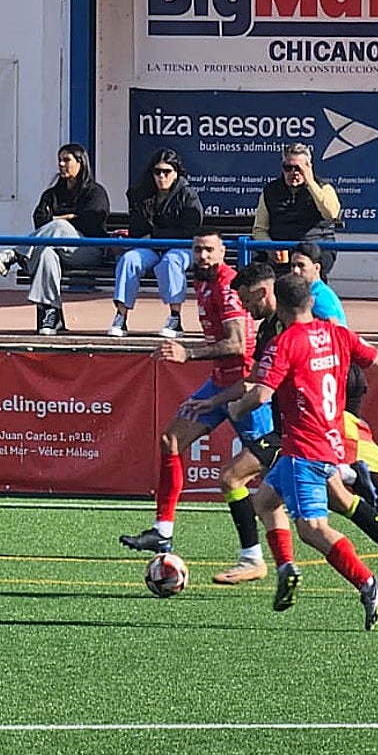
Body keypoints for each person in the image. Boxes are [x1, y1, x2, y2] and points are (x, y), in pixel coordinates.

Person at [188, 262, 378, 598]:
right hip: (327, 434)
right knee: (288, 500)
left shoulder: (283, 339)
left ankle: (358, 581)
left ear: (271, 297)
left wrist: (231, 407)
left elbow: (259, 391)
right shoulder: (334, 332)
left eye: (248, 301)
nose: (246, 309)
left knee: (292, 515)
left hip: (297, 438)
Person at [118, 229, 273, 559]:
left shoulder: (228, 287)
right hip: (219, 383)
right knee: (170, 440)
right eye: (197, 249)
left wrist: (188, 354)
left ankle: (349, 483)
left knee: (272, 467)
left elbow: (235, 344)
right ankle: (162, 532)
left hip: (241, 386)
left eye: (209, 250)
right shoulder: (202, 282)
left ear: (222, 252)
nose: (202, 256)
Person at [0, 143, 110, 335]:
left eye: (67, 160)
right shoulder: (51, 194)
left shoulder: (95, 192)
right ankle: (51, 315)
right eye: (59, 160)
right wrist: (68, 218)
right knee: (45, 253)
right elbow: (39, 220)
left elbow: (92, 221)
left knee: (58, 227)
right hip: (57, 252)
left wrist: (61, 220)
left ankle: (14, 255)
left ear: (81, 163)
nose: (61, 164)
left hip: (88, 250)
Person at [108, 148, 202, 338]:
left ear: (176, 173)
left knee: (170, 262)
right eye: (157, 171)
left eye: (166, 172)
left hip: (180, 247)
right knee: (129, 260)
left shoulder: (188, 195)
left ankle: (175, 318)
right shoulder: (143, 194)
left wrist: (157, 234)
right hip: (151, 247)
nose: (161, 176)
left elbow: (189, 231)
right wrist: (151, 236)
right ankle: (121, 316)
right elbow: (137, 230)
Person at [252, 143, 342, 276]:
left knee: (307, 268)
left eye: (298, 168)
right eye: (288, 168)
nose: (293, 173)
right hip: (282, 251)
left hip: (316, 248)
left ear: (308, 167)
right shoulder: (270, 190)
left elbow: (331, 214)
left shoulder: (324, 188)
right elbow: (259, 229)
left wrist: (310, 182)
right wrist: (270, 247)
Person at [289, 241, 346, 324]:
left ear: (317, 267)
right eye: (293, 265)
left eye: (301, 265)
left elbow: (335, 326)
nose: (295, 271)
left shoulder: (320, 295)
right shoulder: (309, 292)